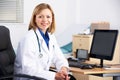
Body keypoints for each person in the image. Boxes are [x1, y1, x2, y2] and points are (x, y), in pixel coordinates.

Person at [14, 3, 70, 80]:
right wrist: (54, 76)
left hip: (42, 77)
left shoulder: (50, 36)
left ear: (52, 19)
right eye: (40, 17)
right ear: (35, 19)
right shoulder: (29, 38)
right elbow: (28, 70)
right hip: (27, 78)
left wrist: (63, 69)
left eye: (48, 17)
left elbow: (59, 57)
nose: (45, 20)